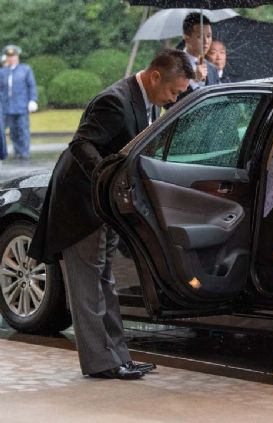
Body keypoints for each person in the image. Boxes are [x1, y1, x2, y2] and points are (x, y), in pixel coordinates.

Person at [28, 48, 194, 380]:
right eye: (173, 91)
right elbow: (81, 144)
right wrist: (107, 181)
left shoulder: (144, 100)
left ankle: (119, 357)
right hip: (81, 205)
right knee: (89, 286)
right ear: (155, 76)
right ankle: (101, 362)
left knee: (105, 280)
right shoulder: (115, 101)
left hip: (105, 206)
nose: (174, 99)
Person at [0, 45, 37, 160]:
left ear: (17, 57)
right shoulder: (3, 72)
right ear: (6, 58)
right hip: (7, 107)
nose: (11, 58)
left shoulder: (25, 69)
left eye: (13, 56)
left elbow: (31, 86)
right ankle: (17, 152)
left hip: (21, 106)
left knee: (23, 130)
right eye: (9, 56)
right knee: (13, 132)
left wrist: (32, 100)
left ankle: (24, 152)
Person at [181, 12, 220, 95]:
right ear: (187, 38)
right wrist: (194, 80)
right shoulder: (174, 65)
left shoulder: (212, 69)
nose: (206, 41)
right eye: (200, 36)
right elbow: (170, 101)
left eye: (208, 36)